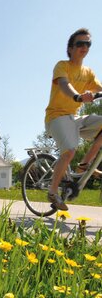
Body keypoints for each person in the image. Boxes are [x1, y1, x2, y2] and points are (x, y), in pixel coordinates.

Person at [45, 28, 102, 211]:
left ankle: (83, 166)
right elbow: (64, 85)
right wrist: (78, 97)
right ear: (70, 48)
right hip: (56, 116)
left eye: (88, 44)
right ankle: (53, 191)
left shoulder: (88, 72)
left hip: (74, 118)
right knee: (69, 150)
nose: (84, 47)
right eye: (80, 43)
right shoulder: (62, 66)